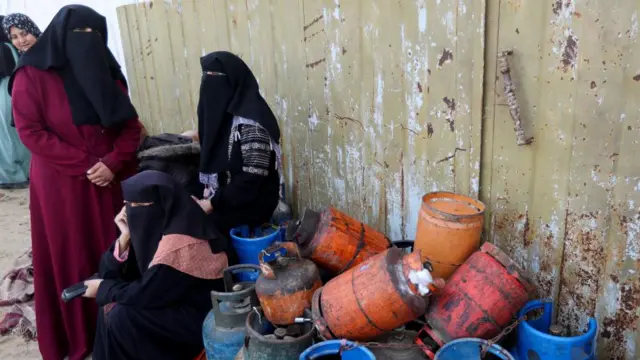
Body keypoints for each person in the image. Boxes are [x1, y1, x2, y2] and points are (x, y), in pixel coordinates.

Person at [9, 5, 141, 360]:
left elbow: (131, 126)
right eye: (79, 37)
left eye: (94, 36)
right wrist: (88, 165)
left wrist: (112, 162)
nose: (87, 44)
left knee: (119, 248)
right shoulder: (32, 75)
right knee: (73, 253)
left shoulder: (107, 73)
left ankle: (123, 326)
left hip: (112, 179)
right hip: (62, 185)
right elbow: (31, 133)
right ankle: (81, 336)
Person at [84, 170, 229, 360]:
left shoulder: (180, 243)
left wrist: (104, 288)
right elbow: (109, 273)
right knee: (110, 305)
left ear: (163, 203)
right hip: (166, 302)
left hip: (198, 320)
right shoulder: (157, 225)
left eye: (138, 205)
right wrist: (124, 238)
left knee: (120, 315)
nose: (132, 212)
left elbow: (145, 293)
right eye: (128, 205)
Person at [193, 51, 283, 240]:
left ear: (233, 81)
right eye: (205, 77)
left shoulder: (252, 124)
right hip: (225, 199)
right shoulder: (223, 119)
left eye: (215, 78)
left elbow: (250, 181)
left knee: (195, 230)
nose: (208, 85)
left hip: (252, 206)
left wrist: (211, 204)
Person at [0, 14, 35, 189]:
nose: (19, 39)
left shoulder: (4, 48)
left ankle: (13, 175)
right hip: (14, 89)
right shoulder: (10, 47)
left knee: (7, 136)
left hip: (5, 92)